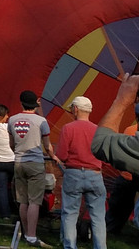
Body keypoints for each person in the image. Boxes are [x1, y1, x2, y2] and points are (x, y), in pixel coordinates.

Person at [9, 90, 59, 248]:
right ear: (37, 102)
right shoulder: (41, 121)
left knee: (22, 201)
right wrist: (54, 156)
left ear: (21, 103)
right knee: (34, 202)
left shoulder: (12, 120)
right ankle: (31, 236)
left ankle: (25, 233)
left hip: (18, 162)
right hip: (35, 163)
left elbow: (11, 144)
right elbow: (47, 146)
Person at [56, 96, 106, 249]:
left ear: (75, 109)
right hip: (95, 174)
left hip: (73, 173)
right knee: (98, 217)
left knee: (70, 214)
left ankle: (70, 246)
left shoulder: (68, 128)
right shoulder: (98, 130)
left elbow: (62, 155)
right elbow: (102, 154)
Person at [105, 97, 139, 234]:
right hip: (131, 176)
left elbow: (122, 153)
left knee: (118, 206)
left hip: (128, 176)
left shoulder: (130, 130)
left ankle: (111, 230)